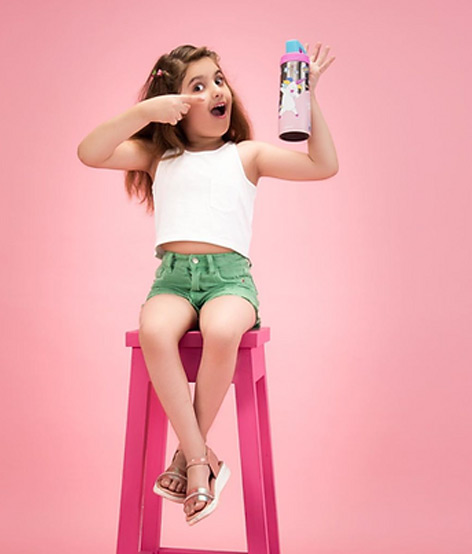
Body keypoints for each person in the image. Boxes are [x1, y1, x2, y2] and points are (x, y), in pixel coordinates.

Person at [77, 42, 338, 526]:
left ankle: (189, 458)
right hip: (173, 280)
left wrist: (310, 99)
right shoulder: (159, 156)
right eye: (198, 86)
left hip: (229, 282)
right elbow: (89, 152)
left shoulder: (246, 155)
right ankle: (203, 459)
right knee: (155, 330)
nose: (217, 90)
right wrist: (145, 112)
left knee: (221, 330)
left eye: (218, 79)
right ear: (174, 106)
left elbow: (323, 166)